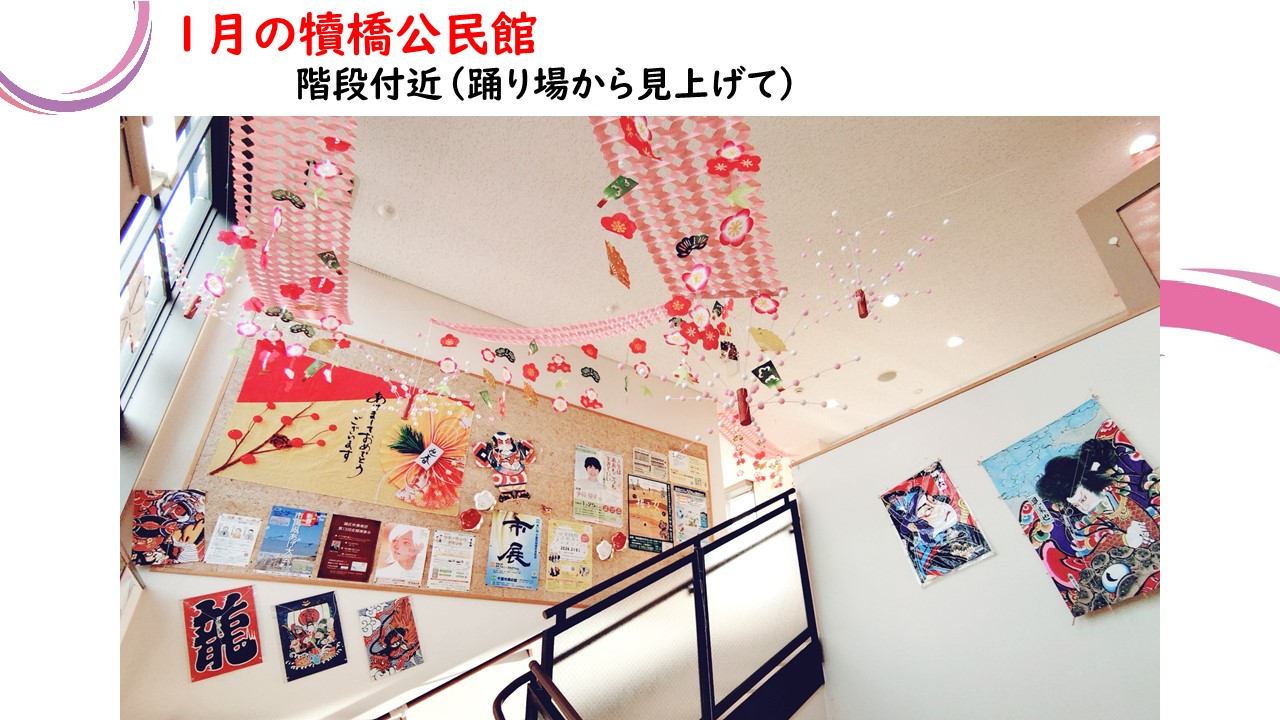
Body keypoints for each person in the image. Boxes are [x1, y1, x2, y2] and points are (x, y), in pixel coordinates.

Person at [884, 485, 991, 583]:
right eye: (928, 510)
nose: (940, 507)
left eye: (933, 500)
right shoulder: (931, 555)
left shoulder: (961, 528)